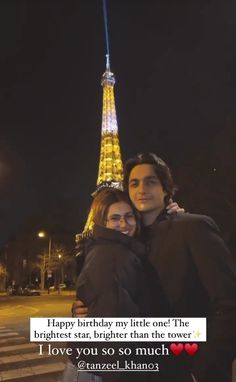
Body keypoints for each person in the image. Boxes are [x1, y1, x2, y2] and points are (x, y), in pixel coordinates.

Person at [123, 152, 236, 382]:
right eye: (134, 183)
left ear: (165, 189)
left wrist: (204, 369)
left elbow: (229, 303)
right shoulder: (128, 243)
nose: (141, 188)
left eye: (151, 181)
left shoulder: (194, 228)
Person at [63, 188, 153, 382]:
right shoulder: (115, 256)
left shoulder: (103, 248)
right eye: (115, 218)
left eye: (129, 216)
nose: (124, 223)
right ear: (102, 222)